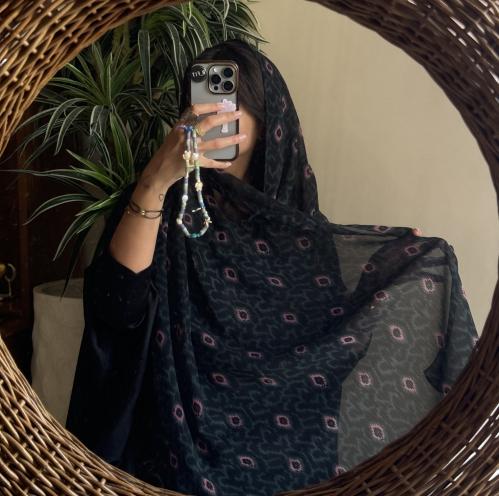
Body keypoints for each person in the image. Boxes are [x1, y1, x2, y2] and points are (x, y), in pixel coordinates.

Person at [65, 39, 478, 496]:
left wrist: (390, 266)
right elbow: (117, 310)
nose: (210, 115)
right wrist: (154, 182)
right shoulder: (161, 203)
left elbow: (324, 339)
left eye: (228, 101)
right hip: (180, 446)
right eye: (200, 100)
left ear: (269, 120)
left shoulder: (297, 225)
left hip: (292, 449)